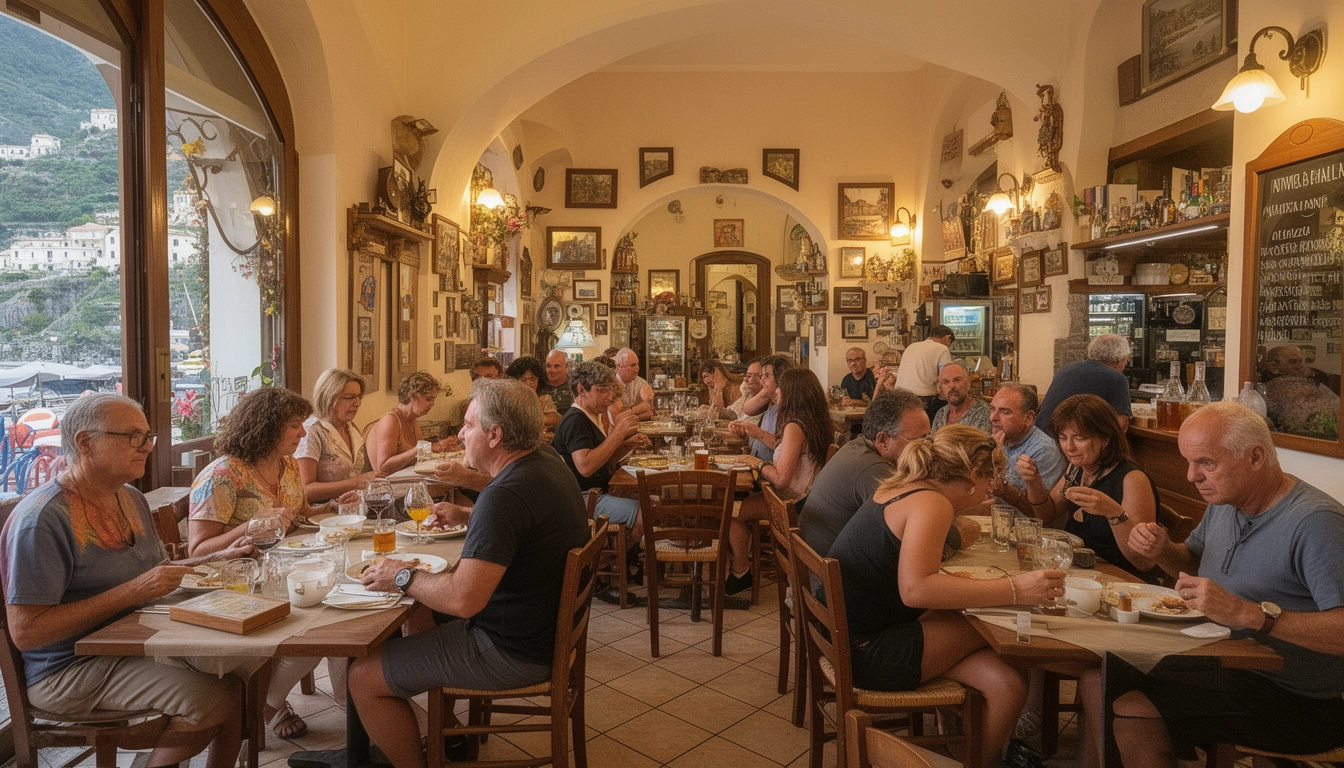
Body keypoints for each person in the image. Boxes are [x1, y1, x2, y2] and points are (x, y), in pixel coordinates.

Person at [348, 378, 591, 768]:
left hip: (512, 649)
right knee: (423, 613)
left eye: (468, 425)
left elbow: (463, 600)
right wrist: (466, 512)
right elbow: (524, 520)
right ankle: (441, 731)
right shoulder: (545, 462)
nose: (461, 434)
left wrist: (401, 574)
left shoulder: (504, 496)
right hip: (543, 631)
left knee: (363, 676)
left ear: (495, 435)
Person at [2, 393, 248, 768]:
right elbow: (27, 632)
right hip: (66, 670)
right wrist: (133, 591)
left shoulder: (130, 498)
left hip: (136, 641)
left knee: (240, 667)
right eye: (133, 437)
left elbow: (159, 574)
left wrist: (218, 558)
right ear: (86, 443)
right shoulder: (42, 520)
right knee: (219, 696)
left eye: (148, 436)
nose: (147, 447)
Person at [1114, 402, 1344, 766]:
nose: (1191, 476)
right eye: (1189, 462)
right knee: (1110, 669)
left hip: (1299, 699)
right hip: (1222, 660)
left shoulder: (1316, 524)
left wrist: (1247, 613)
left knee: (1133, 710)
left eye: (1206, 463)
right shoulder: (1226, 501)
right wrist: (1163, 551)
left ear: (1255, 457)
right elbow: (1192, 562)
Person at [827, 424, 1065, 756]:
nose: (991, 489)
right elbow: (916, 590)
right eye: (990, 479)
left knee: (1008, 684)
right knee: (1007, 628)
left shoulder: (906, 486)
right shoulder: (932, 504)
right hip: (869, 650)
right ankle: (975, 746)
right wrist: (1016, 588)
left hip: (846, 637)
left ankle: (971, 752)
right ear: (973, 474)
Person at [186, 386, 323, 737]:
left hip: (285, 569)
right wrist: (250, 527)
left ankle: (270, 699)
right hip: (239, 583)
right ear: (267, 425)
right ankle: (267, 702)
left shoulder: (289, 465)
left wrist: (333, 509)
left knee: (331, 619)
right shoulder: (222, 475)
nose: (303, 433)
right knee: (319, 627)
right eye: (295, 425)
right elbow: (198, 551)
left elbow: (300, 515)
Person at [799, 388, 979, 559]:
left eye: (929, 438)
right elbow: (924, 524)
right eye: (918, 441)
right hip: (829, 584)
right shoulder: (874, 469)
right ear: (883, 440)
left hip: (821, 567)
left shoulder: (856, 447)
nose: (927, 449)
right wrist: (957, 533)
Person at [1019, 394, 1159, 577]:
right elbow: (1047, 514)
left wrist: (1113, 512)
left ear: (1105, 438)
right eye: (1063, 437)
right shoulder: (1078, 468)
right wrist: (1033, 481)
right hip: (1081, 573)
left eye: (1079, 438)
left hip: (1122, 580)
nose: (1069, 447)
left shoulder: (1132, 479)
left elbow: (1143, 561)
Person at [729, 368, 833, 594]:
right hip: (810, 499)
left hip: (793, 504)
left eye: (780, 388)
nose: (776, 392)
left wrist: (755, 463)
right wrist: (755, 432)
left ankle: (741, 572)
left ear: (792, 393)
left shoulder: (794, 426)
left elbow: (783, 480)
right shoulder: (813, 420)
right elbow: (784, 450)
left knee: (730, 512)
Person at [552, 361, 648, 540]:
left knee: (649, 498)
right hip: (582, 499)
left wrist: (627, 445)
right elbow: (586, 467)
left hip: (596, 493)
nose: (610, 396)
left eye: (611, 389)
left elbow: (605, 460)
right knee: (646, 511)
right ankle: (618, 563)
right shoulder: (575, 420)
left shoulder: (591, 416)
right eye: (602, 389)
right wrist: (618, 433)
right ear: (581, 390)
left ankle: (622, 557)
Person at [296, 367, 382, 504]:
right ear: (328, 398)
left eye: (359, 397)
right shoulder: (312, 432)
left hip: (350, 512)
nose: (357, 403)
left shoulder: (351, 428)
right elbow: (305, 490)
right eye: (349, 397)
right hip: (319, 517)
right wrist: (355, 483)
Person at [987, 383, 1066, 515]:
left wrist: (1004, 489)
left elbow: (1040, 514)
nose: (993, 418)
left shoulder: (1044, 450)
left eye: (1005, 412)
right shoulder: (999, 439)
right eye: (992, 409)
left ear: (1028, 418)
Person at [1035, 334, 1132, 435]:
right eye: (1126, 360)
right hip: (1066, 444)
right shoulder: (1117, 379)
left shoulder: (1065, 369)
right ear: (1121, 360)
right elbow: (1120, 425)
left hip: (1036, 439)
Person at [366, 371, 454, 475]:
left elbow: (417, 459)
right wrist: (423, 448)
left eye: (433, 399)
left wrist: (441, 449)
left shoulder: (413, 420)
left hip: (407, 478)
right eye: (428, 399)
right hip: (387, 485)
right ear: (412, 396)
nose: (432, 404)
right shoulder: (391, 420)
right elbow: (383, 467)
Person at [730, 354, 792, 461]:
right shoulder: (772, 408)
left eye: (767, 376)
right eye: (762, 375)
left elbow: (783, 450)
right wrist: (745, 433)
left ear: (781, 378)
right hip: (757, 465)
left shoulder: (789, 411)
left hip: (767, 471)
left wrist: (759, 433)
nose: (761, 380)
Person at [893, 325, 954, 420]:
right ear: (947, 338)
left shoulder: (912, 346)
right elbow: (946, 376)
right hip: (921, 398)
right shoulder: (942, 348)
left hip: (898, 396)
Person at [931, 361, 991, 435]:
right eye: (946, 382)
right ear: (941, 387)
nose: (952, 386)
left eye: (957, 380)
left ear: (968, 383)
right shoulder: (941, 414)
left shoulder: (983, 412)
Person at [505, 356, 561, 432]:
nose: (528, 383)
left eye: (532, 379)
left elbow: (555, 420)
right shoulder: (507, 402)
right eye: (522, 379)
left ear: (539, 380)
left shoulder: (544, 399)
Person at [1262, 344, 1339, 391]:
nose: (1300, 366)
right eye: (1293, 362)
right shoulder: (1276, 385)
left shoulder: (1311, 375)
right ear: (1273, 367)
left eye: (1300, 361)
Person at [614, 348, 656, 420]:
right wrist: (639, 409)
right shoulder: (611, 385)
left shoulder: (641, 383)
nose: (637, 368)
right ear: (619, 367)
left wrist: (632, 414)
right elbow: (617, 416)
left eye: (637, 364)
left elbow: (650, 411)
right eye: (632, 365)